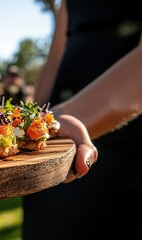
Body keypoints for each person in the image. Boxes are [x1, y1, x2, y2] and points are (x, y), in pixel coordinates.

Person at [23, 1, 142, 239]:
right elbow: (55, 59)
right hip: (56, 140)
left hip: (122, 146)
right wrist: (31, 125)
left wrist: (64, 118)